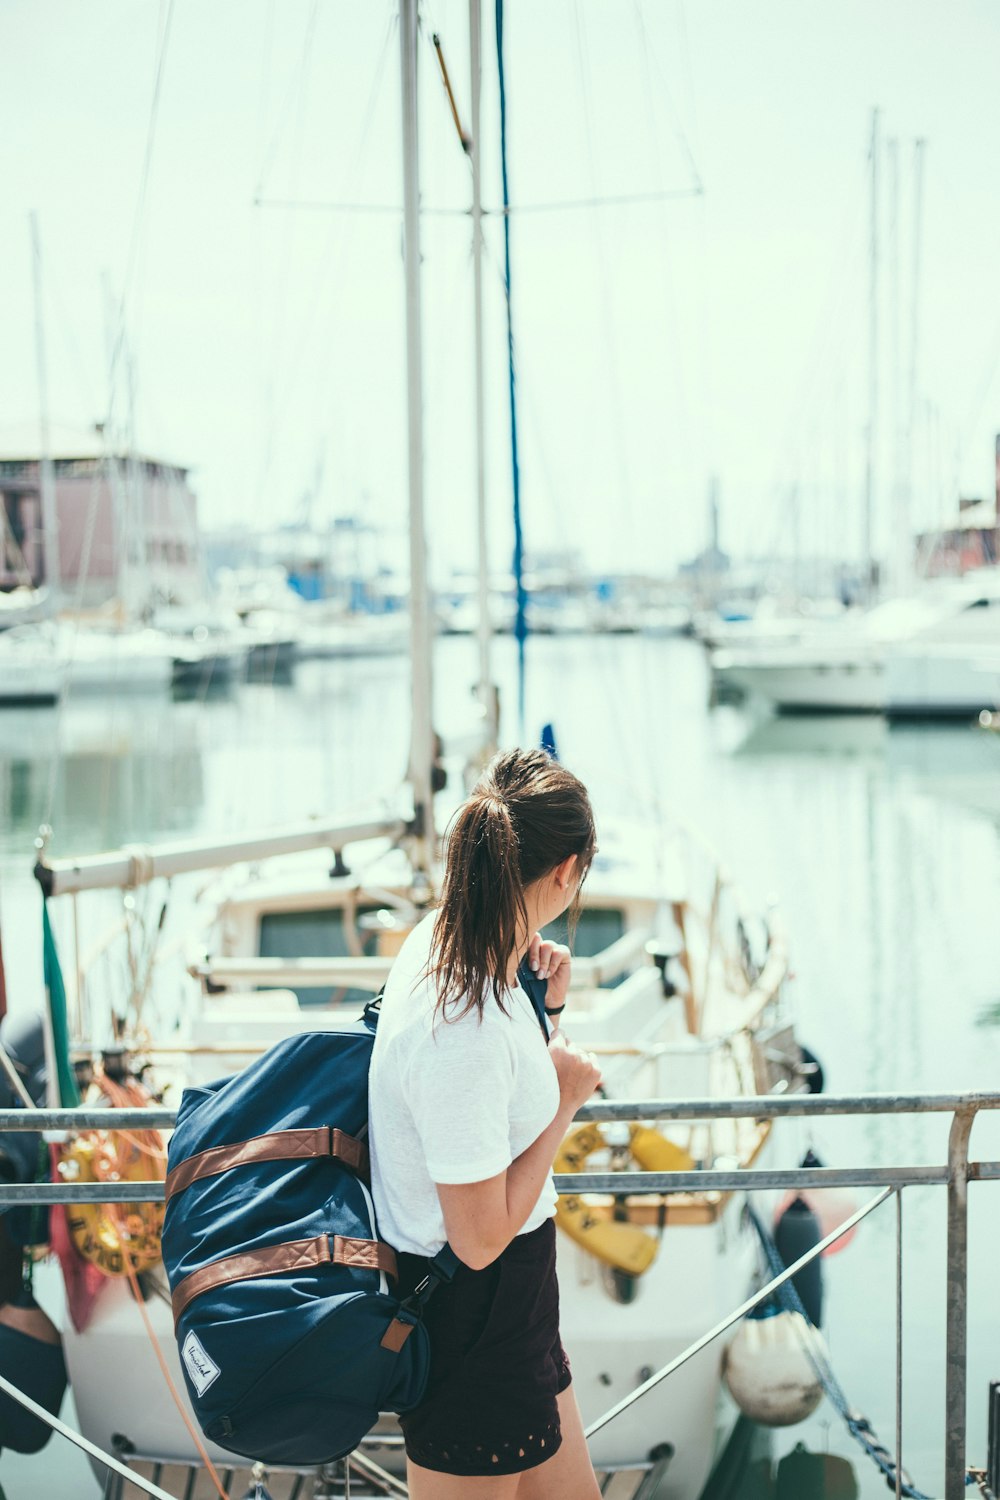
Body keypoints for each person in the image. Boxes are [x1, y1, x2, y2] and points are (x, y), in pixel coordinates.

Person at [369, 747, 604, 1498]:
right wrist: (567, 1103)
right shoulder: (460, 1022)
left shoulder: (456, 943)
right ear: (565, 870)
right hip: (473, 1320)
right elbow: (474, 1239)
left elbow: (489, 1113)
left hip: (517, 1308)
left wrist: (546, 1010)